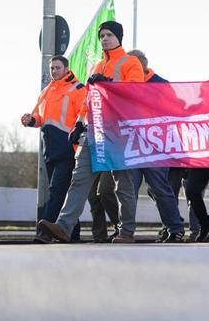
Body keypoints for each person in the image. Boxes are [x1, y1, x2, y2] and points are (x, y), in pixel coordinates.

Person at [37, 21, 145, 243]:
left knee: (122, 183)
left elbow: (136, 92)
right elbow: (88, 100)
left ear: (118, 37)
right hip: (93, 129)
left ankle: (127, 232)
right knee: (79, 179)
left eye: (108, 35)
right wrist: (79, 122)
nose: (104, 38)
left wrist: (108, 83)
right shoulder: (96, 67)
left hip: (118, 131)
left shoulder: (130, 62)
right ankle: (64, 227)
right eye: (102, 35)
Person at [21, 55, 86, 243]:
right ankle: (72, 234)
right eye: (52, 68)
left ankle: (46, 232)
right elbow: (40, 118)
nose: (54, 71)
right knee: (62, 192)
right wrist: (30, 120)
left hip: (69, 148)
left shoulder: (77, 89)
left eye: (57, 67)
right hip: (49, 149)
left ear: (66, 69)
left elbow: (84, 113)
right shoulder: (46, 91)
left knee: (56, 190)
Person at [126, 49, 185, 242]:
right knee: (128, 189)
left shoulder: (160, 83)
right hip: (131, 146)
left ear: (142, 64)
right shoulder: (123, 84)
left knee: (160, 188)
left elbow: (174, 110)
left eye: (132, 64)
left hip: (155, 146)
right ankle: (124, 231)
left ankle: (175, 228)